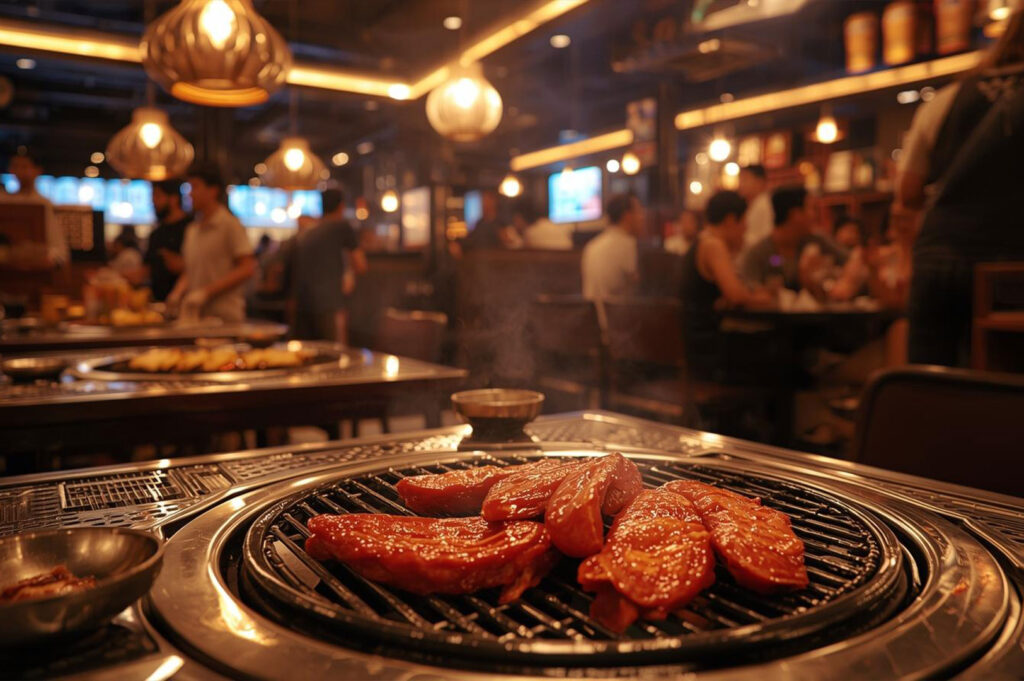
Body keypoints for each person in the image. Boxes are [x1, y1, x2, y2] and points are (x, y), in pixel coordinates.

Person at [898, 9, 1024, 366]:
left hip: (939, 255)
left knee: (930, 386)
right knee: (1003, 393)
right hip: (1011, 266)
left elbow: (907, 192)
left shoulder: (949, 97)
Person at [681, 190, 775, 379]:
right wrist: (765, 298)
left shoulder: (701, 242)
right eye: (744, 222)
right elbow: (736, 295)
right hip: (708, 352)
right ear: (731, 220)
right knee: (777, 354)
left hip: (696, 346)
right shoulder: (713, 245)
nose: (745, 229)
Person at [167, 165, 256, 322]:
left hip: (225, 317)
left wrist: (206, 292)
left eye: (195, 187)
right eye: (189, 188)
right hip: (196, 316)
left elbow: (247, 268)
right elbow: (191, 269)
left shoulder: (230, 224)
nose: (190, 194)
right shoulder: (192, 229)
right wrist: (177, 292)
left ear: (213, 191)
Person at [290, 188, 368, 341]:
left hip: (302, 306)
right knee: (337, 356)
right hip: (329, 305)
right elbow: (361, 265)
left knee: (310, 356)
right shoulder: (341, 226)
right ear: (341, 206)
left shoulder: (308, 233)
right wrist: (349, 275)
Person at [742, 186, 847, 291]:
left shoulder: (816, 241)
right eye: (811, 209)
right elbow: (750, 291)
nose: (815, 215)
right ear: (795, 214)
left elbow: (849, 260)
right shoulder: (758, 254)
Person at [0, 151, 69, 266]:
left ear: (38, 170)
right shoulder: (4, 201)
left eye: (24, 166)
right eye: (15, 166)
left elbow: (59, 251)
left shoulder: (43, 204)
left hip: (34, 274)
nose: (19, 171)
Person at [581, 193, 643, 300]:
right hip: (614, 314)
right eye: (639, 212)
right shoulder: (627, 243)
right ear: (628, 216)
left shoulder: (592, 245)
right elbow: (636, 288)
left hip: (591, 312)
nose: (642, 217)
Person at [143, 179, 190, 301]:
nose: (153, 201)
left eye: (157, 195)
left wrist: (182, 265)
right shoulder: (156, 234)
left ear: (173, 198)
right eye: (152, 196)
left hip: (187, 304)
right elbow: (147, 270)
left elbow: (198, 268)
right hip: (158, 304)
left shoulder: (192, 228)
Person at [737, 164, 773, 256]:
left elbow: (766, 238)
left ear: (760, 181)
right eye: (740, 180)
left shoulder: (765, 205)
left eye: (745, 179)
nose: (740, 184)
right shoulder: (753, 204)